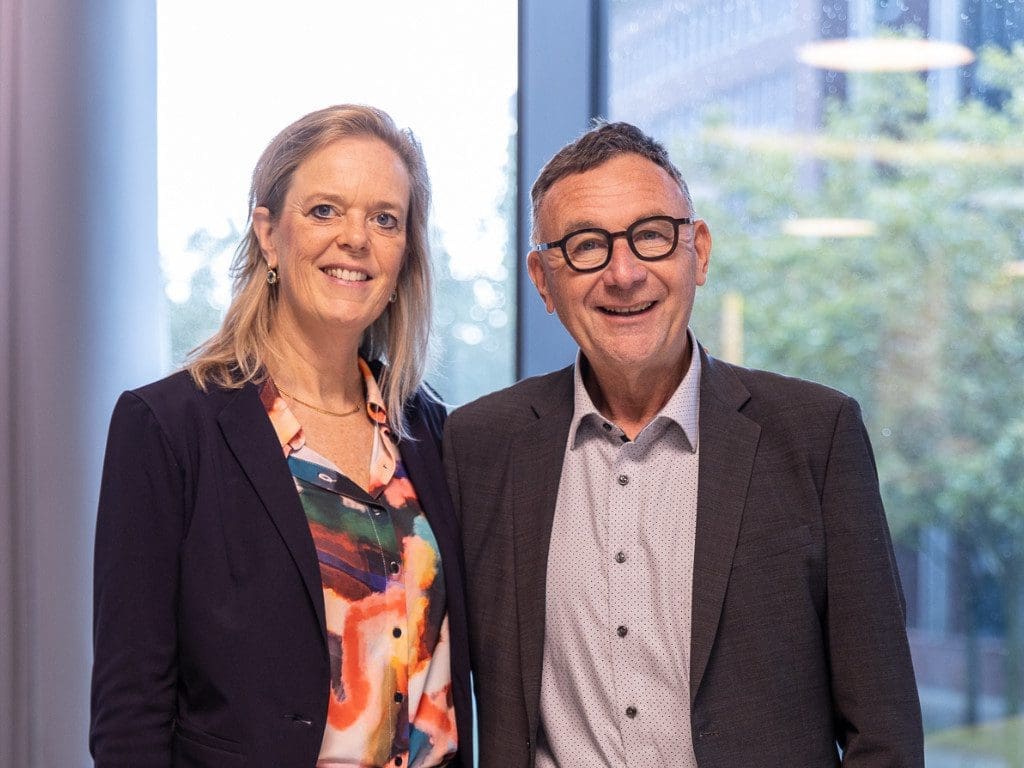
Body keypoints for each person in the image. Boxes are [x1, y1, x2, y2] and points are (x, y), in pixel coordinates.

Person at [443, 121, 923, 767]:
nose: (623, 273)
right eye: (586, 245)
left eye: (651, 236)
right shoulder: (478, 446)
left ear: (697, 249)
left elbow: (883, 731)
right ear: (542, 278)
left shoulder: (816, 434)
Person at [91, 105, 471, 768]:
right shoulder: (169, 430)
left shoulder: (432, 432)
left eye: (384, 218)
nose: (356, 238)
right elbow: (131, 713)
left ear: (405, 250)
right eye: (325, 210)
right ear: (269, 235)